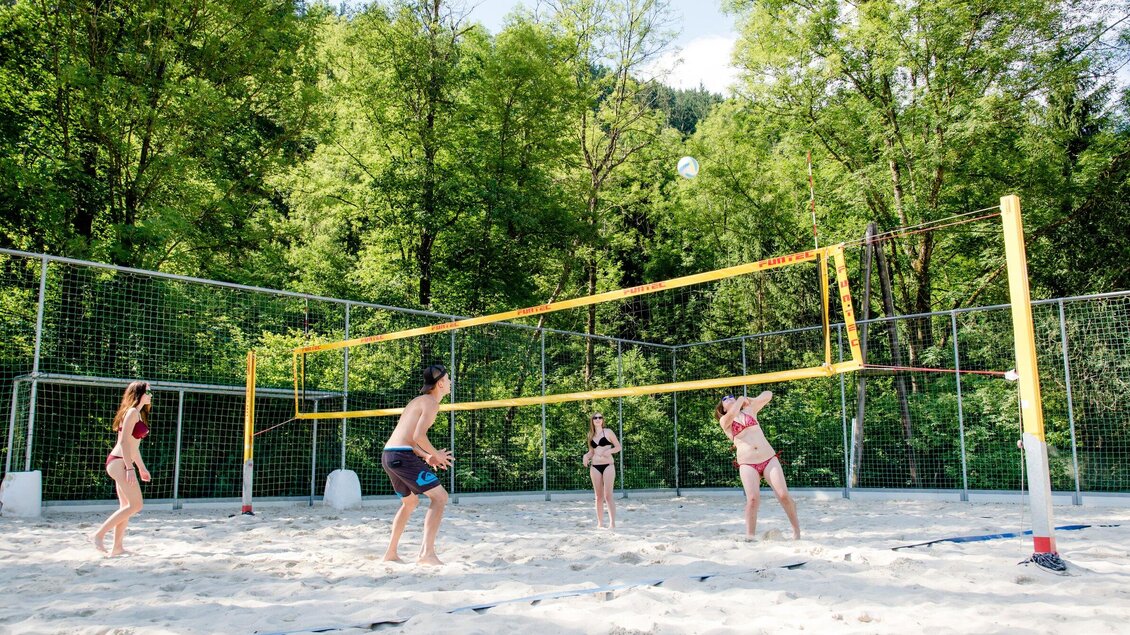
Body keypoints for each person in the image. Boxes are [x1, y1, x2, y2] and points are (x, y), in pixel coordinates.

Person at [380, 364, 456, 565]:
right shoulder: (431, 403)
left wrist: (426, 457)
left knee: (410, 502)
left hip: (390, 455)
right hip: (402, 456)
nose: (450, 383)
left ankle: (391, 553)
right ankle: (427, 555)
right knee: (440, 498)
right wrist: (436, 454)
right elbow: (418, 436)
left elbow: (409, 440)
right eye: (448, 380)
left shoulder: (417, 401)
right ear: (440, 383)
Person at [715, 391, 800, 539]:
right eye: (725, 399)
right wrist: (741, 399)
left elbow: (768, 394)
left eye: (731, 397)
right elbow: (734, 411)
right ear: (723, 409)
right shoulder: (725, 421)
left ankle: (796, 532)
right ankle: (750, 537)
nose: (729, 398)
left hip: (768, 458)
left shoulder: (749, 410)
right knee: (753, 499)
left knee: (783, 495)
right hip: (747, 464)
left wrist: (749, 400)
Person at [90, 381, 153, 556]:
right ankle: (98, 535)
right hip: (119, 462)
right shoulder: (132, 412)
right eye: (148, 391)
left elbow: (134, 448)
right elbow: (124, 443)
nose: (151, 395)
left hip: (121, 461)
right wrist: (129, 468)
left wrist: (141, 468)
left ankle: (117, 547)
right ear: (138, 393)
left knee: (126, 506)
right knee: (136, 505)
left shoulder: (137, 413)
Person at [581, 412, 621, 529]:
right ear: (592, 420)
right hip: (595, 466)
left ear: (603, 420)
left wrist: (610, 451)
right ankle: (600, 523)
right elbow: (591, 452)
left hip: (608, 465)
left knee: (608, 495)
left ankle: (612, 523)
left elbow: (618, 447)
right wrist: (585, 456)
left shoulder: (608, 432)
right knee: (598, 496)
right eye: (595, 418)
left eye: (600, 417)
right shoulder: (590, 435)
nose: (598, 419)